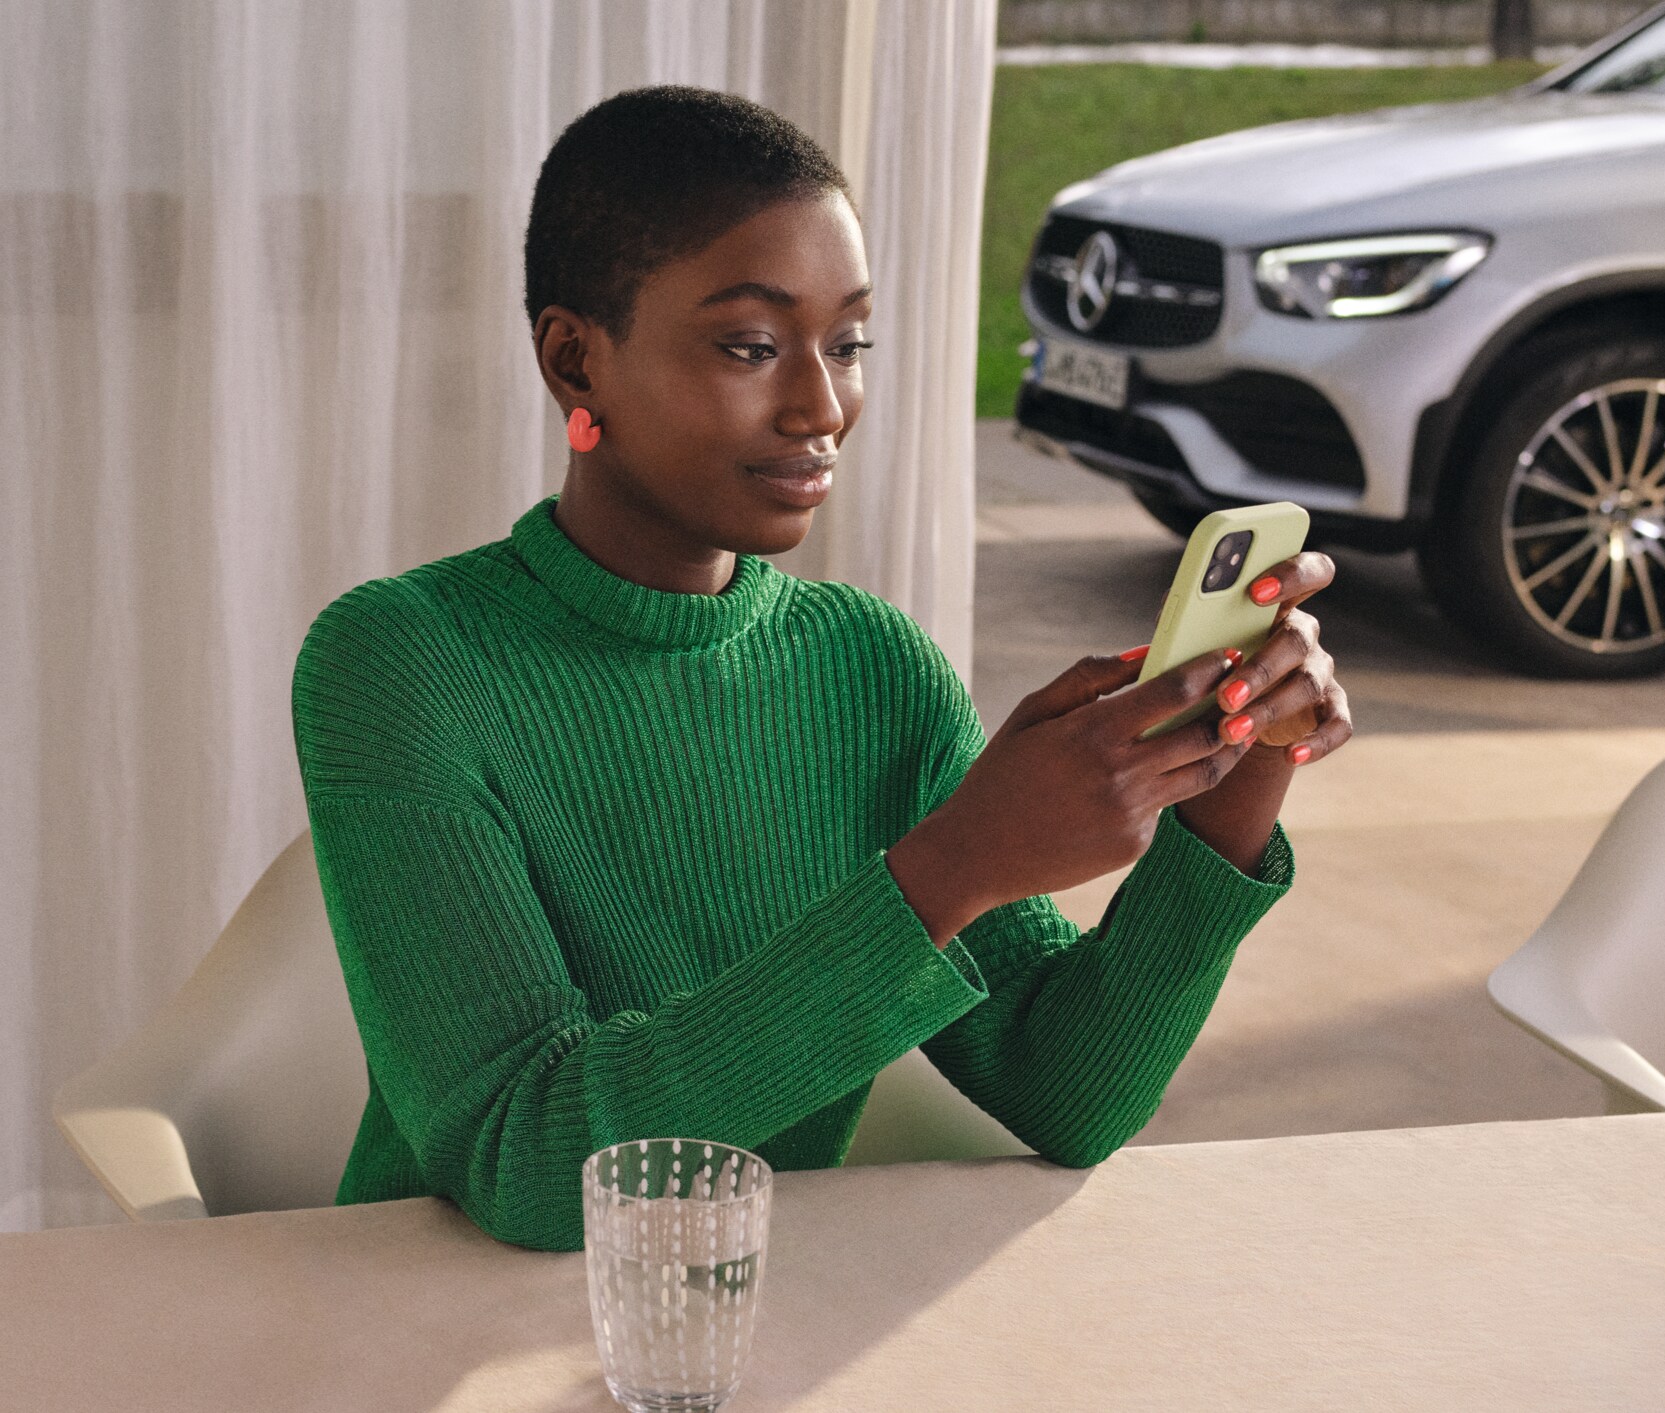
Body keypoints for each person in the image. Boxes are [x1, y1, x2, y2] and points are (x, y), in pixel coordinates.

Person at [291, 85, 1353, 1253]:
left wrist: (1242, 770)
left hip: (742, 1311)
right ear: (574, 361)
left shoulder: (871, 666)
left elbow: (1067, 1090)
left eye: (847, 345)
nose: (822, 406)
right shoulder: (401, 661)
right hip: (429, 1314)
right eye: (751, 347)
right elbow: (529, 1165)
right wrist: (953, 866)